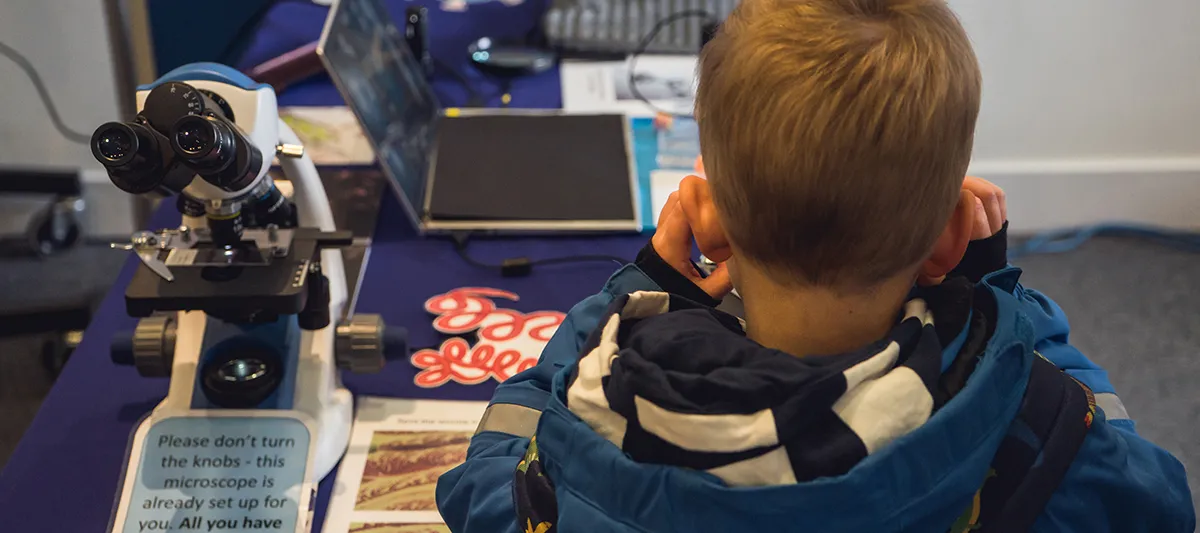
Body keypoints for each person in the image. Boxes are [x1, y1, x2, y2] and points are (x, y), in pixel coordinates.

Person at [436, 0, 1194, 530]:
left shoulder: (603, 419)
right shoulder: (1028, 426)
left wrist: (640, 291)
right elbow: (1152, 495)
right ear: (948, 240)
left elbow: (485, 478)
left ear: (709, 220)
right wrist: (1000, 298)